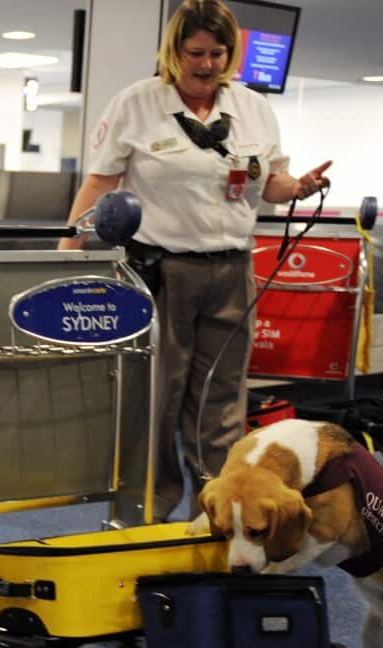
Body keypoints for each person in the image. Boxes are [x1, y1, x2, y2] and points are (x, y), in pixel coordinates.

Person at [59, 0, 331, 521]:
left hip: (231, 270)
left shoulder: (253, 107)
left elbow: (270, 182)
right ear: (174, 51)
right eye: (194, 53)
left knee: (222, 399)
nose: (205, 65)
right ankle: (151, 506)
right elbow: (101, 181)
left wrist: (298, 187)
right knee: (159, 396)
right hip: (161, 271)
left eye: (217, 53)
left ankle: (218, 506)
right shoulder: (136, 104)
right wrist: (66, 252)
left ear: (230, 54)